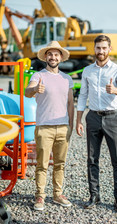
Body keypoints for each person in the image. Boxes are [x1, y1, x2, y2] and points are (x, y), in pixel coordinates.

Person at [76, 35, 117, 212]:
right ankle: (94, 196)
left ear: (110, 49)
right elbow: (82, 96)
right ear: (94, 49)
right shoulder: (87, 71)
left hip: (112, 118)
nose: (101, 51)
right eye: (98, 48)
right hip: (92, 117)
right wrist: (78, 120)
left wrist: (116, 91)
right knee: (92, 159)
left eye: (104, 48)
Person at [25, 41, 74, 210]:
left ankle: (58, 194)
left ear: (61, 57)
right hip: (44, 127)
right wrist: (35, 89)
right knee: (42, 164)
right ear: (46, 57)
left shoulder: (67, 79)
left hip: (63, 127)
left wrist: (71, 126)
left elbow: (70, 103)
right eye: (50, 54)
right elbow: (27, 92)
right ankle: (40, 196)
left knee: (60, 163)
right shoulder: (38, 76)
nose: (53, 57)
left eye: (56, 54)